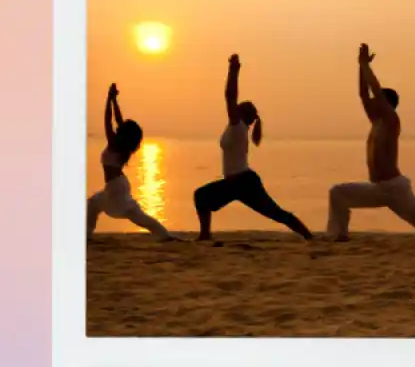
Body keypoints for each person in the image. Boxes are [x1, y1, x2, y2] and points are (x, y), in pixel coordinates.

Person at [325, 44, 415, 242]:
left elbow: (376, 92)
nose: (373, 103)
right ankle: (338, 236)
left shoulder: (391, 121)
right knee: (338, 194)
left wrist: (366, 65)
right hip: (377, 188)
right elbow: (363, 94)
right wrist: (360, 67)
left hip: (394, 188)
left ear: (388, 105)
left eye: (379, 102)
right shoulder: (376, 121)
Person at [191, 54, 318, 241]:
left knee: (274, 212)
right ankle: (204, 235)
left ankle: (309, 237)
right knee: (202, 197)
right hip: (238, 182)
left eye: (238, 108)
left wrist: (233, 71)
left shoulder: (237, 127)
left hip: (242, 183)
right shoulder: (237, 129)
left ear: (242, 114)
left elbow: (229, 96)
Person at [86, 83, 181, 242]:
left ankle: (87, 237)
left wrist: (109, 99)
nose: (119, 128)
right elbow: (118, 121)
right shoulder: (123, 147)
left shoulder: (114, 144)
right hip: (118, 185)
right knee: (132, 214)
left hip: (116, 186)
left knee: (96, 206)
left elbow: (108, 122)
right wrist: (115, 101)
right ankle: (165, 235)